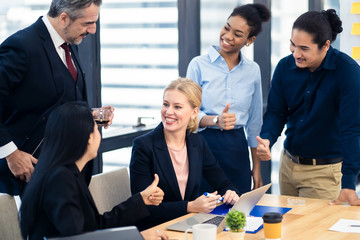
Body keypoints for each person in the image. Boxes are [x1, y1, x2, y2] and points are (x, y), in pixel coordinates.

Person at [0, 0, 114, 196]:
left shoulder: (70, 42)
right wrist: (10, 153)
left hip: (66, 176)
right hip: (30, 177)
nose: (93, 30)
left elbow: (56, 101)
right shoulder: (22, 46)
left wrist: (88, 114)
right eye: (87, 23)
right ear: (64, 18)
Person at [19, 102, 168, 240]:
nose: (99, 135)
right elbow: (78, 238)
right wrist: (139, 238)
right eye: (96, 129)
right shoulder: (60, 179)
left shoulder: (67, 173)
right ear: (89, 137)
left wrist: (141, 200)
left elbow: (96, 225)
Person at [257, 9, 360, 205]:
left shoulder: (348, 73)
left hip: (324, 173)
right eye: (293, 45)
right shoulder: (284, 67)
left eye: (304, 48)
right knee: (289, 230)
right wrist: (267, 139)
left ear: (325, 45)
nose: (296, 53)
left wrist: (348, 184)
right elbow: (276, 113)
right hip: (288, 167)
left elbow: (352, 130)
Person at [130, 78, 240, 230]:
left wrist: (231, 193)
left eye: (177, 107)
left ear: (194, 112)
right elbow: (142, 208)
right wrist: (190, 206)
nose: (168, 112)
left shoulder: (197, 143)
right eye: (165, 104)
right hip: (156, 230)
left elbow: (222, 183)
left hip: (188, 226)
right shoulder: (144, 146)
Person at [186, 3, 270, 194]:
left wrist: (256, 168)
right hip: (203, 145)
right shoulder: (198, 65)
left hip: (237, 150)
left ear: (250, 40)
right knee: (202, 212)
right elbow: (188, 114)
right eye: (226, 27)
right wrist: (216, 120)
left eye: (238, 34)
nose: (228, 36)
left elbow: (255, 123)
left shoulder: (253, 70)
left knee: (237, 212)